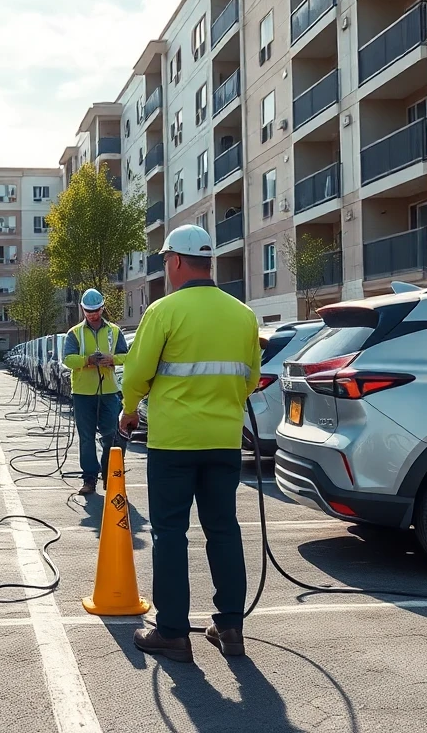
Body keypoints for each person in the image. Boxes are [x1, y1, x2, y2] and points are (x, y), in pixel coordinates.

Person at [118, 225, 261, 663]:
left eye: (165, 260)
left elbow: (137, 373)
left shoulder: (163, 311)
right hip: (223, 442)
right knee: (223, 529)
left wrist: (129, 408)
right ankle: (230, 628)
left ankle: (173, 633)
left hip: (174, 444)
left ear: (177, 261)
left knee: (170, 534)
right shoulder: (243, 314)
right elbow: (250, 378)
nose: (166, 267)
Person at [62, 288, 129, 496]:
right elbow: (67, 359)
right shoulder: (75, 333)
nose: (93, 314)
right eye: (89, 311)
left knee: (111, 435)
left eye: (96, 310)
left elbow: (127, 356)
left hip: (109, 392)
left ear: (102, 308)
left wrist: (112, 359)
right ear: (82, 309)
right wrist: (87, 360)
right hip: (83, 393)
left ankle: (110, 475)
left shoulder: (114, 331)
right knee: (87, 437)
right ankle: (89, 478)